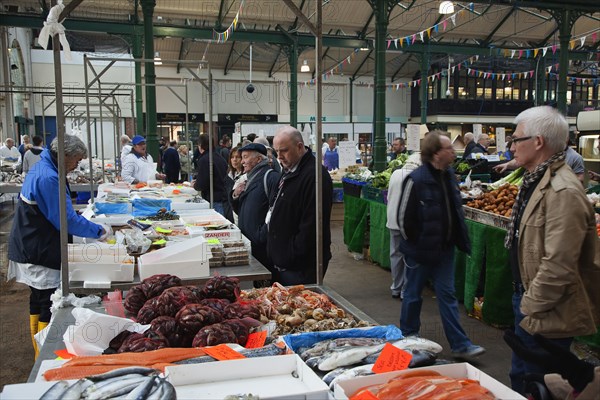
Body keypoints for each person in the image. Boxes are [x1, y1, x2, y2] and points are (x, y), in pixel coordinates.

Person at [502, 105, 599, 395]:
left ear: (538, 142)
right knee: (524, 377)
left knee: (534, 384)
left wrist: (528, 306)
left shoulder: (563, 191)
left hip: (547, 311)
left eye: (516, 139)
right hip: (534, 302)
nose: (511, 146)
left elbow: (559, 264)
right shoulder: (536, 180)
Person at [7, 134, 110, 359]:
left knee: (37, 298)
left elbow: (61, 211)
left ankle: (37, 347)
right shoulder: (49, 177)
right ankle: (42, 357)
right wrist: (99, 231)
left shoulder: (44, 166)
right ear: (64, 155)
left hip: (31, 244)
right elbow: (66, 221)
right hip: (39, 248)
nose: (76, 165)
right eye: (76, 160)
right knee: (47, 303)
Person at [396, 130, 485, 360]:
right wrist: (414, 245)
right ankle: (409, 338)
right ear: (436, 153)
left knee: (447, 295)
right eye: (448, 148)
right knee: (413, 295)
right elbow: (403, 219)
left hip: (444, 250)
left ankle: (460, 344)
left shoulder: (449, 176)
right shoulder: (416, 180)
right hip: (419, 251)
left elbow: (454, 211)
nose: (453, 152)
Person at [267, 126, 333, 285]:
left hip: (300, 268)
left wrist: (290, 255)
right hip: (284, 263)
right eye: (277, 151)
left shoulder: (315, 177)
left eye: (284, 150)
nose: (279, 156)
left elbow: (312, 226)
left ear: (300, 147)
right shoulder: (289, 169)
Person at [230, 143, 280, 271]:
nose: (242, 162)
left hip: (261, 245)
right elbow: (241, 210)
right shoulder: (248, 178)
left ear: (258, 159)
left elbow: (277, 211)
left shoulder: (271, 177)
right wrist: (236, 195)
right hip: (250, 242)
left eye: (245, 157)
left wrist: (261, 234)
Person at [386, 152, 422, 299]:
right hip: (408, 223)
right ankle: (405, 290)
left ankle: (396, 286)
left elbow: (388, 196)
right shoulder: (417, 177)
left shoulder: (395, 173)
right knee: (409, 256)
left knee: (395, 254)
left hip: (392, 220)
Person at [193, 134, 230, 218]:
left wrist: (195, 184)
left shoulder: (204, 160)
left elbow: (202, 184)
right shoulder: (220, 157)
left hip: (213, 199)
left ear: (200, 145)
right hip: (223, 198)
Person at [225, 145, 244, 224]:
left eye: (237, 157)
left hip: (240, 216)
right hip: (230, 216)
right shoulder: (229, 175)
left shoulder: (245, 177)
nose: (234, 160)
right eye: (232, 157)